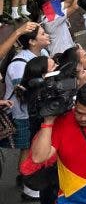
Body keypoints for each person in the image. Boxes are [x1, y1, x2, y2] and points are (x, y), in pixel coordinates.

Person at [4, 22, 50, 200]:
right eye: (43, 34)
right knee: (27, 148)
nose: (47, 35)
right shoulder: (19, 63)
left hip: (37, 110)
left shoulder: (44, 53)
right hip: (21, 113)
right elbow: (21, 93)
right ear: (31, 42)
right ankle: (27, 185)